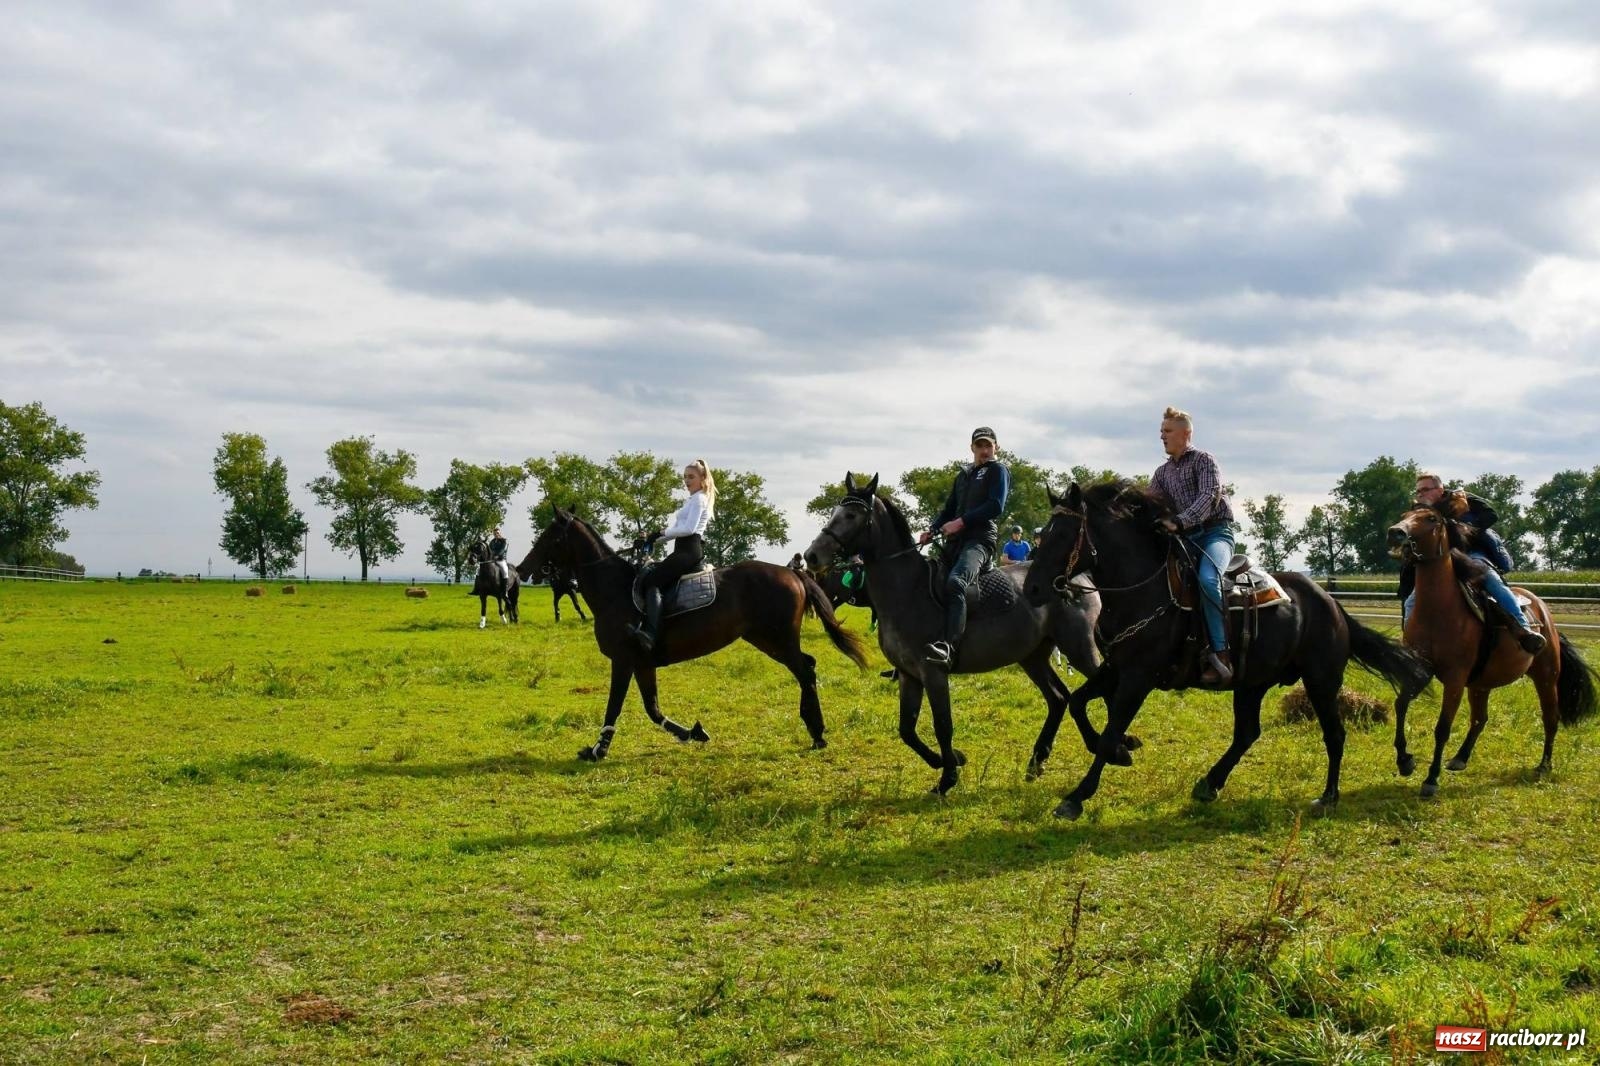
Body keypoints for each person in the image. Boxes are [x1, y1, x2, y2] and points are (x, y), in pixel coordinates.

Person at [1403, 472, 1544, 654]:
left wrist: (1470, 528)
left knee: (1492, 581)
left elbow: (1491, 515)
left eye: (1425, 489)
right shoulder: (1420, 510)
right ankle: (1409, 643)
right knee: (1411, 601)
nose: (1420, 494)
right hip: (1443, 557)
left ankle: (1523, 630)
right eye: (1418, 491)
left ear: (1440, 489)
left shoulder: (1462, 498)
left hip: (1473, 553)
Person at [1150, 406, 1235, 685]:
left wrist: (1179, 521)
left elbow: (1210, 495)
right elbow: (1151, 504)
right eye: (1161, 431)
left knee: (1208, 580)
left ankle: (1221, 654)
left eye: (1167, 431)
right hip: (1184, 539)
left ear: (1185, 433)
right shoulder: (1161, 473)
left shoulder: (1204, 460)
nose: (1162, 436)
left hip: (1215, 534)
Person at [917, 426, 1010, 667]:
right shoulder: (963, 475)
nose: (984, 450)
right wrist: (932, 529)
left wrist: (961, 522)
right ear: (972, 448)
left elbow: (996, 505)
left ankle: (949, 649)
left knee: (956, 582)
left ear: (996, 448)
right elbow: (949, 509)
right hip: (954, 542)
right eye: (980, 446)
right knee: (924, 580)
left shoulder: (998, 470)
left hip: (980, 540)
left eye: (989, 445)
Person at [628, 459, 716, 653]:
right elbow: (677, 529)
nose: (686, 480)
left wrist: (660, 533)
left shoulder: (700, 499)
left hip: (689, 550)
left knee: (653, 581)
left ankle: (651, 633)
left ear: (703, 478)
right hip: (682, 549)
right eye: (685, 477)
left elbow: (689, 529)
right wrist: (652, 539)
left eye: (691, 477)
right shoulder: (693, 499)